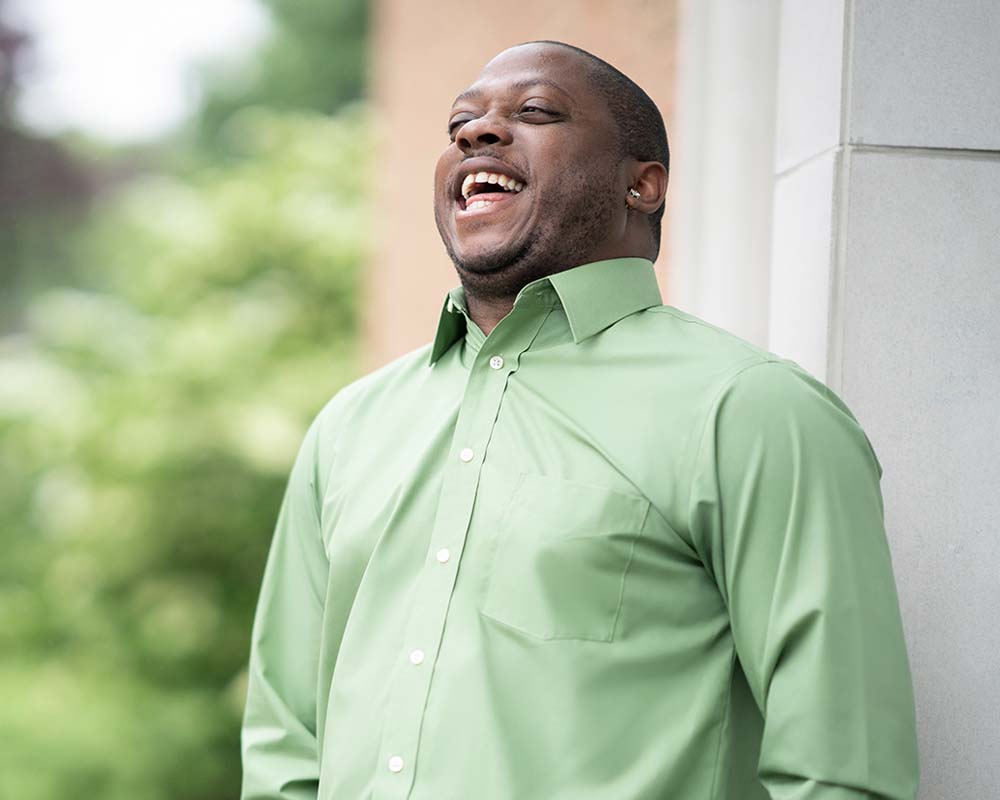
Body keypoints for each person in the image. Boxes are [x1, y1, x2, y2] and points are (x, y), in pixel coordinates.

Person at [240, 39, 919, 800]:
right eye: (461, 123)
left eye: (534, 112)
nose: (476, 134)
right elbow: (285, 743)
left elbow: (841, 770)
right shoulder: (350, 426)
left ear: (643, 186)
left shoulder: (752, 412)